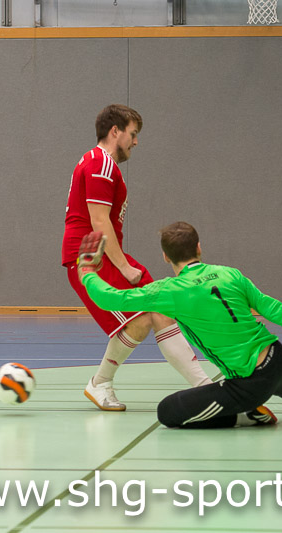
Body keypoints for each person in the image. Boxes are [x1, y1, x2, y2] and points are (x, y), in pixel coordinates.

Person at [76, 223, 282, 429]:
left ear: (166, 257)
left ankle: (246, 414)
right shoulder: (230, 274)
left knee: (167, 412)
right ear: (199, 248)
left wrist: (87, 270)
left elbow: (109, 298)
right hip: (277, 357)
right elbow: (274, 309)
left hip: (249, 384)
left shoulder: (169, 290)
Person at [61, 104, 211, 411]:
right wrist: (124, 267)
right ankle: (100, 382)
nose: (136, 141)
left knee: (162, 308)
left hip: (105, 253)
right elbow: (99, 221)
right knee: (140, 320)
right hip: (91, 258)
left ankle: (205, 387)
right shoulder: (101, 163)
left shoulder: (100, 163)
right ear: (115, 131)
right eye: (133, 134)